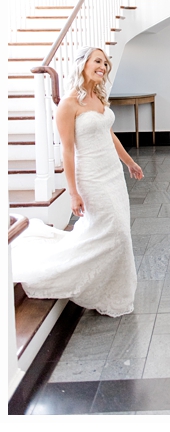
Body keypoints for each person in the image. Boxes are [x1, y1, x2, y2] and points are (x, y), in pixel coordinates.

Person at [11, 47, 143, 317]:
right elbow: (67, 151)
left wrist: (129, 162)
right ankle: (82, 279)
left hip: (112, 174)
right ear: (83, 64)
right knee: (114, 230)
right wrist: (72, 193)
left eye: (105, 63)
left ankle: (113, 287)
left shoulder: (98, 97)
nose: (103, 67)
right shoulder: (68, 104)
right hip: (91, 176)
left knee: (116, 231)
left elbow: (110, 135)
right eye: (98, 61)